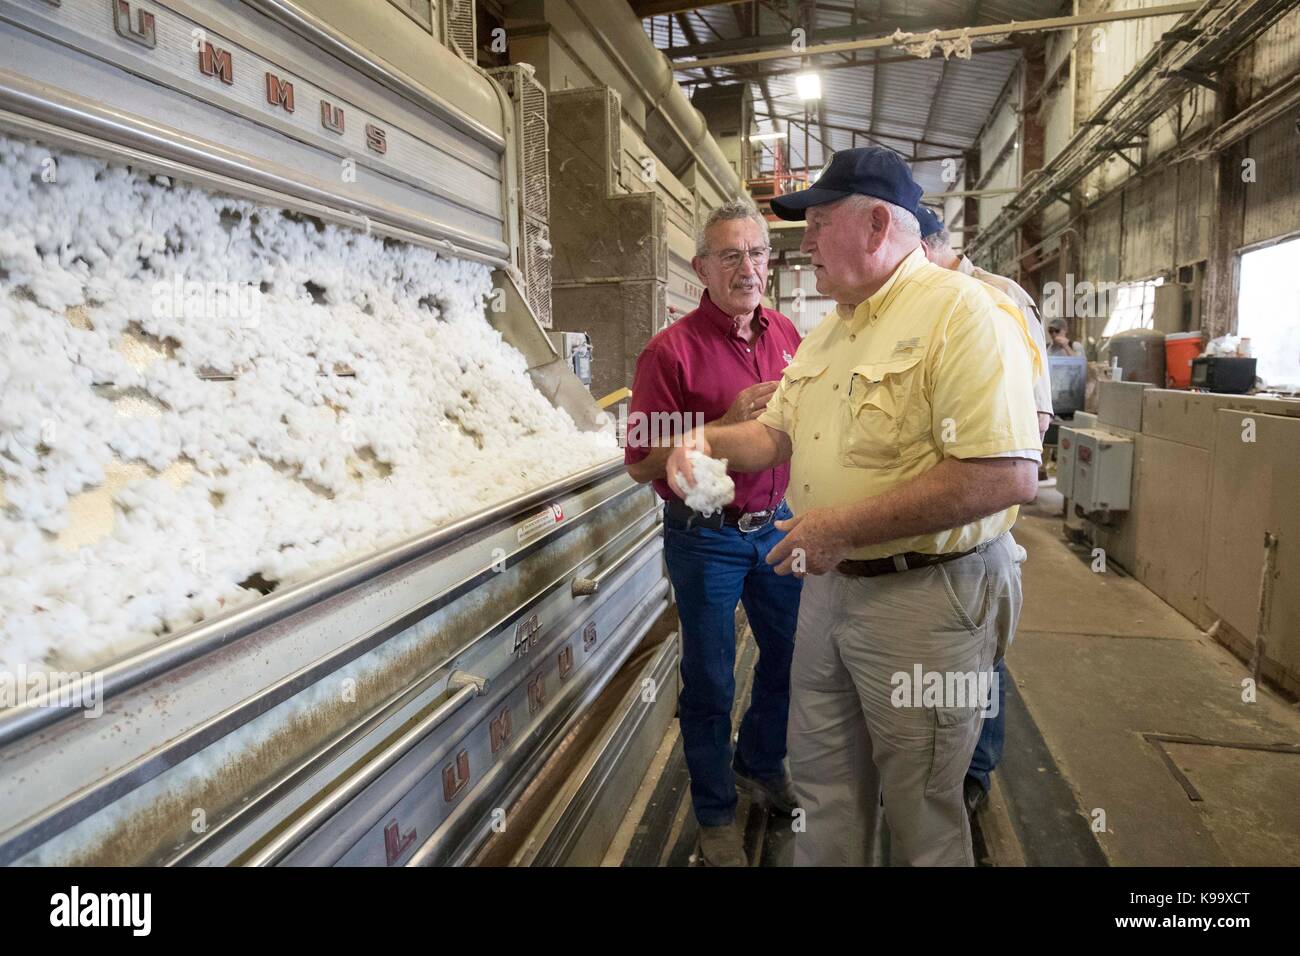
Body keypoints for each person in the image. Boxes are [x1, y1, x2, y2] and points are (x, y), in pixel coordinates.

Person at [666, 148, 1041, 866]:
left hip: (925, 597)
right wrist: (702, 439)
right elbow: (775, 432)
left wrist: (842, 527)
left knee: (920, 804)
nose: (801, 243)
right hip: (830, 588)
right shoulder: (834, 331)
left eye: (817, 222)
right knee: (824, 789)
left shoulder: (962, 315)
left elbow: (1004, 475)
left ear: (875, 226)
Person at [625, 198, 804, 867]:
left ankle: (759, 762)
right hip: (706, 534)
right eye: (730, 255)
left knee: (791, 659)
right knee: (709, 681)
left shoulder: (789, 336)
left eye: (756, 253)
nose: (747, 268)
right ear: (701, 266)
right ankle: (716, 813)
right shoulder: (668, 353)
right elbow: (640, 463)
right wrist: (722, 421)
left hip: (778, 524)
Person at [915, 206, 1048, 815]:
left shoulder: (994, 302)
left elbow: (1032, 421)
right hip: (922, 524)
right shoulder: (923, 300)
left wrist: (969, 484)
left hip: (969, 524)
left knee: (978, 656)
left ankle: (975, 771)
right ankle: (936, 768)